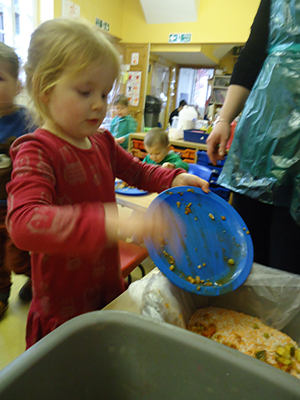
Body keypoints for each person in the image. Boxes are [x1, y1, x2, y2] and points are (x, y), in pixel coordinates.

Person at [6, 18, 209, 348]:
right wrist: (107, 219)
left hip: (105, 285)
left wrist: (173, 176)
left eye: (104, 92)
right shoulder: (37, 150)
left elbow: (140, 172)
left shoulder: (102, 141)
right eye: (85, 92)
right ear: (45, 91)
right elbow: (25, 223)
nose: (99, 104)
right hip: (64, 305)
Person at [206, 0, 300, 274]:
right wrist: (223, 119)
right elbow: (253, 55)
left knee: (290, 258)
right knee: (246, 249)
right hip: (261, 134)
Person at [0, 42, 34, 318]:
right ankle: (1, 294)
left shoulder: (28, 121)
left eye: (0, 78)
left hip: (18, 207)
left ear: (18, 85)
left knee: (17, 256)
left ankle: (38, 275)